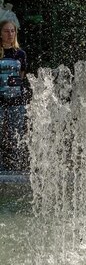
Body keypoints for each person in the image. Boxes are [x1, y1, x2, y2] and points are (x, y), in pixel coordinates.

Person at [0, 20, 28, 171]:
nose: (10, 34)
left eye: (12, 31)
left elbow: (21, 76)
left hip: (16, 100)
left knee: (16, 133)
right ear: (0, 33)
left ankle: (16, 164)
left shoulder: (20, 54)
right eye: (6, 31)